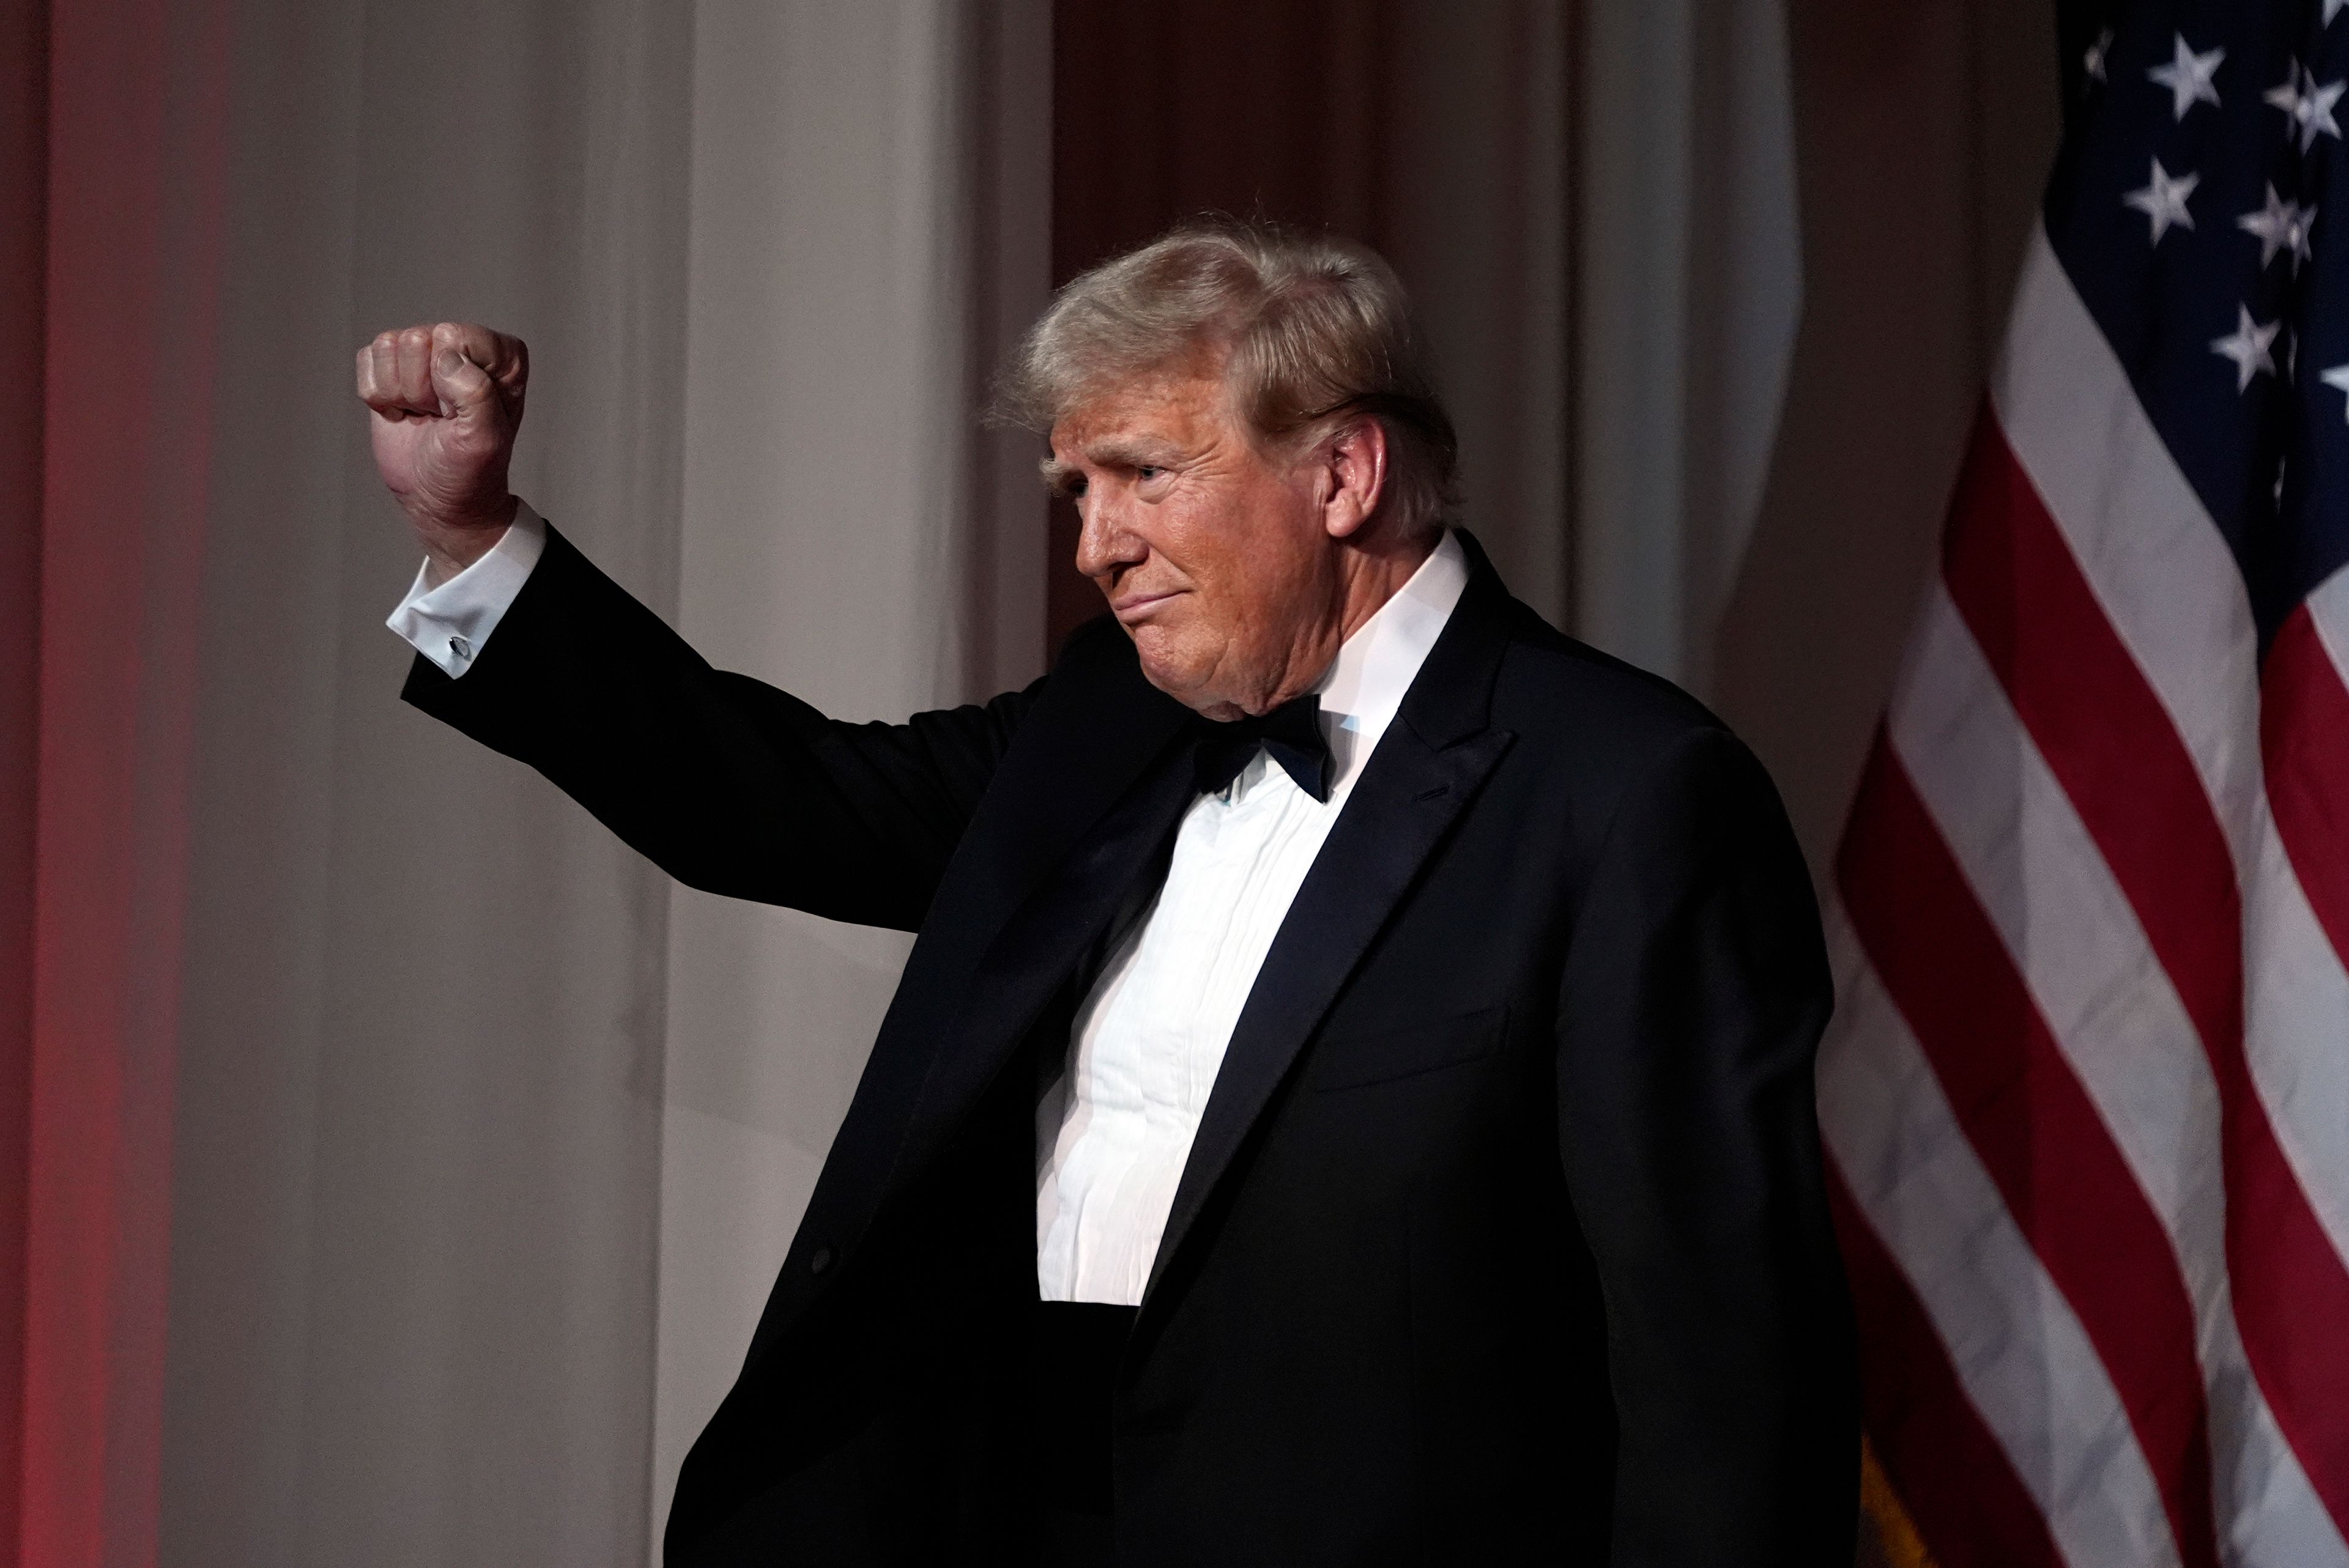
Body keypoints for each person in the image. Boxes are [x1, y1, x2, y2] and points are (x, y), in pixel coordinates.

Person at [357, 220, 1856, 1567]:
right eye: (1078, 488)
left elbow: (1722, 1362)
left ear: (1343, 473)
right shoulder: (1106, 722)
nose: (1095, 543)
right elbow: (783, 802)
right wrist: (476, 541)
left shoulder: (1627, 788)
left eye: (1145, 471)